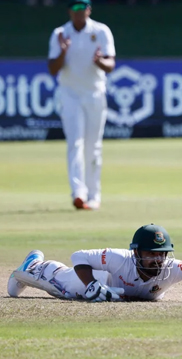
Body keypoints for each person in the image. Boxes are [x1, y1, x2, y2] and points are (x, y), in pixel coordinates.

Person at [6, 223, 182, 303]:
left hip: (111, 289)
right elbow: (79, 256)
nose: (156, 259)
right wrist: (91, 285)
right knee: (69, 286)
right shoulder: (119, 258)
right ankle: (35, 264)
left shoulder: (171, 269)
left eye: (161, 253)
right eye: (150, 253)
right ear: (136, 253)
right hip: (92, 282)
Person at [48, 0, 116, 211]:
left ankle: (94, 195)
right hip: (70, 94)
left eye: (83, 8)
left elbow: (110, 64)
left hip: (95, 93)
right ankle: (79, 193)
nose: (79, 13)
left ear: (89, 10)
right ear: (70, 11)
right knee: (75, 143)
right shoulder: (60, 33)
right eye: (75, 9)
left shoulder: (101, 31)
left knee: (93, 145)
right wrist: (63, 52)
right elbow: (52, 68)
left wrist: (99, 62)